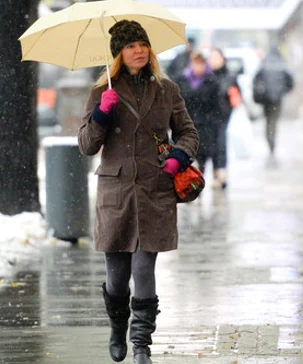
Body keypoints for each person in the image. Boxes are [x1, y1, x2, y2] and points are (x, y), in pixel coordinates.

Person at [78, 20, 199, 364]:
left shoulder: (167, 89)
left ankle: (142, 344)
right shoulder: (101, 91)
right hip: (116, 193)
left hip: (155, 189)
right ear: (119, 53)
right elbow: (87, 146)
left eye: (143, 44)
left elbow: (189, 133)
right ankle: (118, 328)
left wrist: (177, 159)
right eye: (131, 46)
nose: (139, 50)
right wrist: (102, 112)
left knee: (144, 268)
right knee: (117, 280)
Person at [173, 52, 224, 183]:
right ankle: (187, 184)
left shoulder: (212, 81)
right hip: (186, 124)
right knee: (185, 156)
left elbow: (217, 105)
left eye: (201, 63)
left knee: (202, 157)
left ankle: (197, 184)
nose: (198, 67)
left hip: (206, 126)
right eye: (196, 63)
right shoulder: (181, 79)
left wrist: (214, 122)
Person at [252, 46, 294, 155]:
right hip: (277, 99)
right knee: (273, 120)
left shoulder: (264, 64)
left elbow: (256, 79)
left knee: (267, 120)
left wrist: (261, 92)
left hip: (266, 98)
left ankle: (269, 139)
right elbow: (290, 81)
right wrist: (283, 91)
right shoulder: (282, 64)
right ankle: (272, 141)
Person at [209, 48, 241, 189]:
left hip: (223, 115)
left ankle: (221, 174)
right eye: (211, 57)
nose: (213, 60)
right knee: (211, 145)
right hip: (207, 116)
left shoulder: (230, 76)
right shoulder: (207, 76)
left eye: (216, 57)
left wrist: (229, 106)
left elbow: (236, 96)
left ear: (222, 59)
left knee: (220, 143)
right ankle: (216, 174)